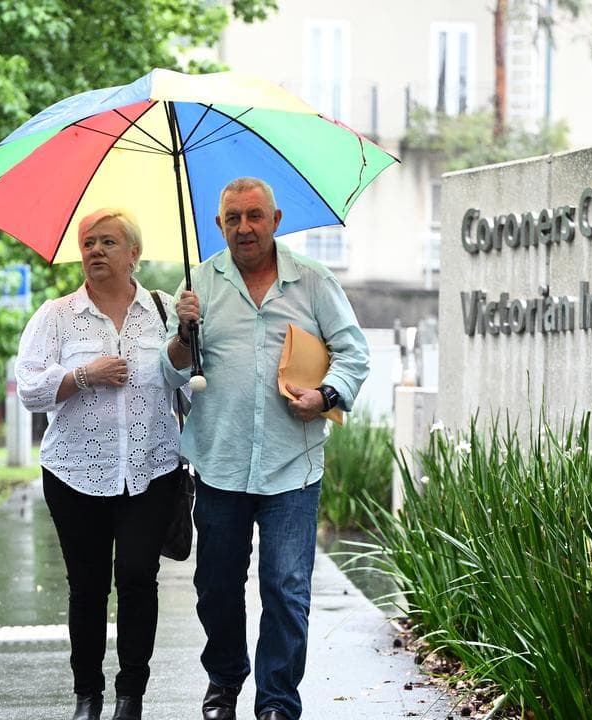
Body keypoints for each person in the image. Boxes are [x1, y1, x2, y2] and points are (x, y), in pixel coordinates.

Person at [163, 177, 369, 720]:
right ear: (218, 225)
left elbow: (354, 352)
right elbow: (170, 372)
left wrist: (326, 393)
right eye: (233, 217)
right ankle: (226, 680)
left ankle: (277, 700)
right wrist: (185, 334)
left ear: (275, 221)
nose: (244, 227)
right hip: (219, 460)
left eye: (254, 216)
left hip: (291, 463)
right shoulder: (197, 286)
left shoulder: (314, 282)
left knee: (286, 588)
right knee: (215, 588)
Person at [15, 208, 184, 720]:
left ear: (134, 253)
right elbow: (29, 389)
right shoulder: (56, 314)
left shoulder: (164, 308)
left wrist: (187, 333)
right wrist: (82, 375)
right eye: (88, 243)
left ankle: (131, 695)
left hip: (151, 468)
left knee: (137, 576)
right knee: (87, 586)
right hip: (74, 473)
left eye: (107, 242)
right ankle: (87, 694)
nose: (94, 251)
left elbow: (182, 378)